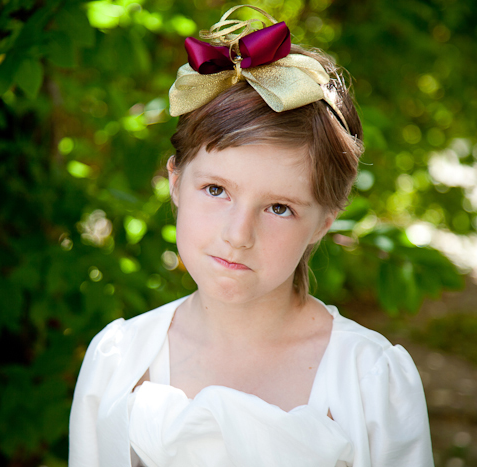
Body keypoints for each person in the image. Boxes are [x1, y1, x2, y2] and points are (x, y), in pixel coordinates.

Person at [69, 5, 434, 466]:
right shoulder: (119, 362)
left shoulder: (368, 379)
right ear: (176, 181)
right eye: (216, 190)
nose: (238, 235)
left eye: (279, 208)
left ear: (323, 222)